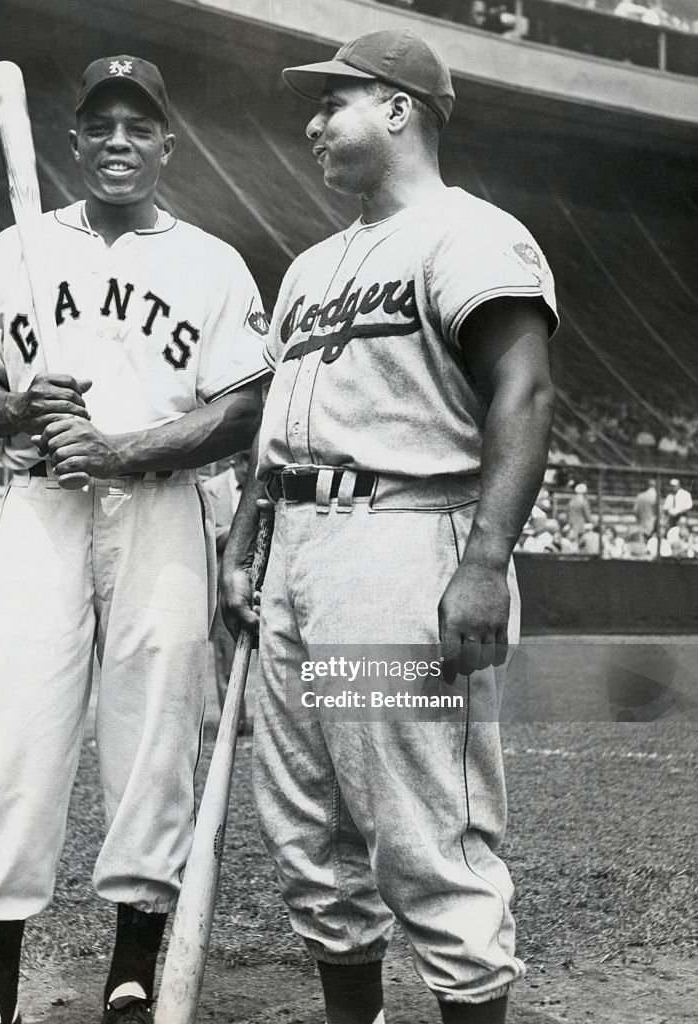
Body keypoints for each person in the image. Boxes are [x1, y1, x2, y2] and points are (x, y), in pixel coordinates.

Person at [222, 29, 557, 1024]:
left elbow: (524, 389)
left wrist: (487, 561)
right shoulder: (310, 266)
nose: (314, 124)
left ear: (401, 109)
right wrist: (244, 545)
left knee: (422, 830)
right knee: (311, 828)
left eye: (335, 102)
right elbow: (278, 434)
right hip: (298, 547)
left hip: (404, 538)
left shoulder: (470, 234)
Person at [0, 55, 268, 1024]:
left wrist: (119, 447)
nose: (119, 141)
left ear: (167, 144)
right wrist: (19, 407)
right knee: (10, 731)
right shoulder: (14, 251)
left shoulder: (210, 263)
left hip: (161, 512)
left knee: (154, 738)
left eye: (139, 126)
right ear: (75, 141)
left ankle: (131, 973)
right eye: (101, 126)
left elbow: (241, 408)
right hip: (41, 507)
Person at [202, 450, 250, 725]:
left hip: (259, 585)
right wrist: (243, 529)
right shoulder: (211, 489)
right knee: (226, 657)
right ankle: (234, 722)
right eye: (247, 465)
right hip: (225, 585)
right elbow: (206, 533)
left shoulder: (263, 486)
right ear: (235, 462)